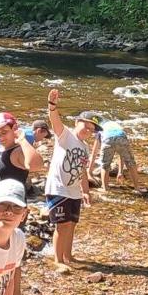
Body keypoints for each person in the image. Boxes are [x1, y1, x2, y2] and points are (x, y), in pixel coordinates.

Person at [42, 89, 95, 272]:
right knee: (62, 225)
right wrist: (52, 105)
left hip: (74, 191)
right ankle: (58, 259)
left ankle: (68, 255)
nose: (88, 131)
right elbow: (54, 120)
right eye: (85, 126)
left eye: (91, 130)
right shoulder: (65, 135)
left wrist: (86, 191)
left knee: (72, 224)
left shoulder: (85, 147)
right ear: (76, 122)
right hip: (58, 188)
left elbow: (82, 171)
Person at [0, 112, 44, 222]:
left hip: (8, 213)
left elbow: (36, 165)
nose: (1, 137)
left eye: (4, 132)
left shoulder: (17, 152)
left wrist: (22, 139)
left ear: (15, 129)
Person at [91, 118, 140, 191]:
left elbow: (94, 153)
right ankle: (137, 187)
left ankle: (105, 188)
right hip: (121, 136)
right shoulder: (116, 126)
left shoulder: (100, 129)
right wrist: (120, 172)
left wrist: (89, 172)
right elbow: (121, 155)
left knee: (105, 165)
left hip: (107, 138)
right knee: (131, 163)